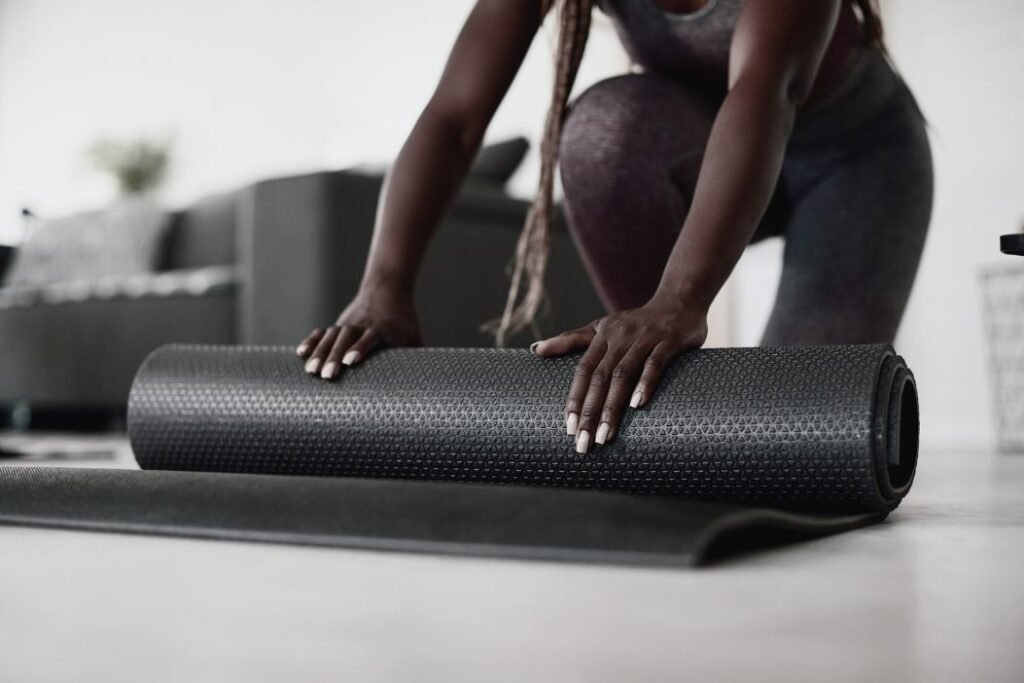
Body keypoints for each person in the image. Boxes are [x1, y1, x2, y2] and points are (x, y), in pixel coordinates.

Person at [296, 0, 932, 454]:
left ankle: (665, 332)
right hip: (695, 148)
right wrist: (385, 283)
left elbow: (767, 88)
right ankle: (654, 389)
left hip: (856, 167)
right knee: (603, 130)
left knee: (802, 435)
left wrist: (679, 300)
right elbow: (455, 118)